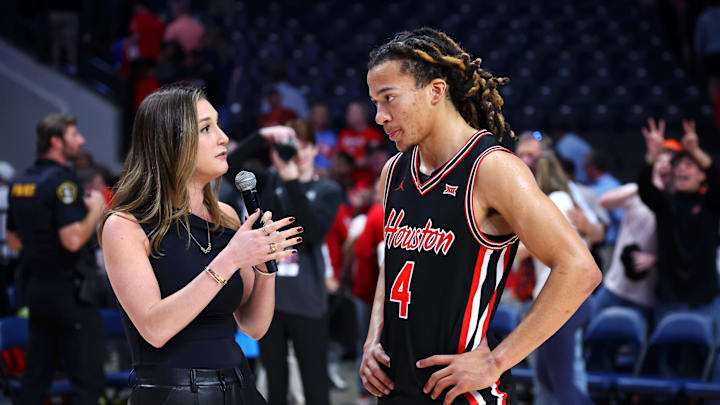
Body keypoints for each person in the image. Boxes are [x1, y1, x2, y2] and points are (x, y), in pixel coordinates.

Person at [360, 28, 602, 404]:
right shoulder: (393, 172)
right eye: (375, 101)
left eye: (389, 99)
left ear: (436, 92)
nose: (379, 116)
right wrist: (374, 337)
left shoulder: (492, 169)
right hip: (395, 387)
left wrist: (497, 361)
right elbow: (393, 266)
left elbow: (580, 269)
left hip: (462, 392)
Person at [99, 85, 303, 404]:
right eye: (206, 128)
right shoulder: (125, 225)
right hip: (174, 393)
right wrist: (229, 260)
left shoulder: (226, 215)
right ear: (170, 142)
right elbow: (155, 327)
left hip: (241, 387)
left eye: (218, 125)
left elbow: (254, 326)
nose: (223, 137)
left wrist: (266, 265)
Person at [226, 119, 342, 405]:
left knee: (315, 383)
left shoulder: (328, 190)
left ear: (314, 148)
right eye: (290, 146)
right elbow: (232, 165)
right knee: (274, 384)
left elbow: (312, 233)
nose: (296, 153)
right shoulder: (267, 181)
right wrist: (263, 135)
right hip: (271, 300)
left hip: (307, 299)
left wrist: (291, 180)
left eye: (302, 146)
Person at [6, 114, 107, 404]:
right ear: (56, 141)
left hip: (36, 292)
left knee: (36, 379)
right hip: (70, 294)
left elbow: (13, 240)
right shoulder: (64, 183)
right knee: (87, 381)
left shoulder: (21, 182)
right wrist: (95, 210)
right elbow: (73, 239)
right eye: (74, 135)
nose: (81, 140)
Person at [515, 153, 594, 405]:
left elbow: (526, 249)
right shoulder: (565, 198)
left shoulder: (554, 201)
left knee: (561, 383)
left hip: (563, 300)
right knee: (549, 379)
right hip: (562, 297)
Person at [639, 118, 720, 326]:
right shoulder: (665, 205)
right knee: (668, 356)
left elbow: (717, 181)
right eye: (678, 165)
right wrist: (652, 155)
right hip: (669, 298)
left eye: (689, 165)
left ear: (702, 175)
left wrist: (696, 152)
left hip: (705, 298)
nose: (682, 169)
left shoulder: (710, 205)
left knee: (709, 355)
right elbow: (646, 189)